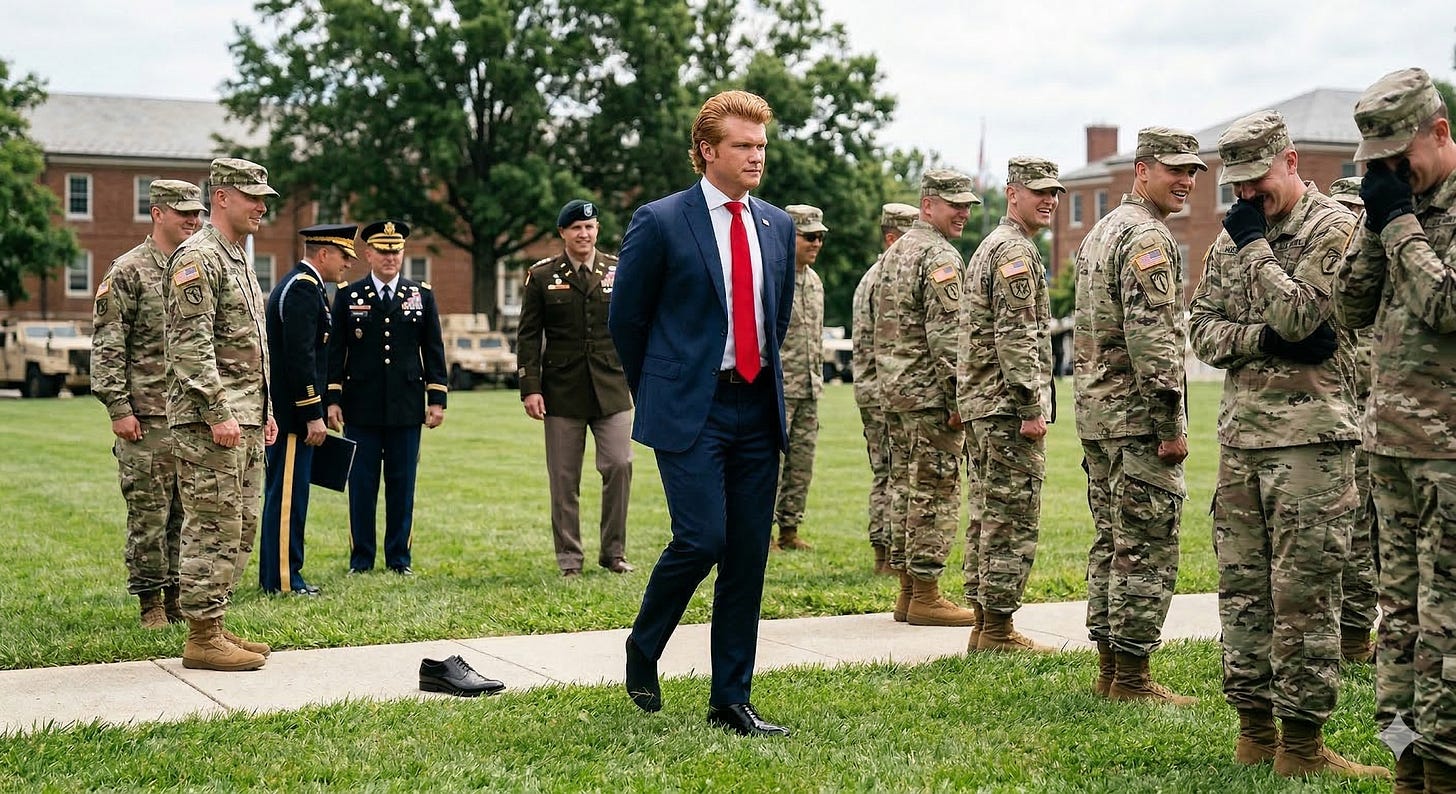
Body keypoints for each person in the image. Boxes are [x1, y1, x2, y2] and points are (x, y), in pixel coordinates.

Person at [1189, 111, 1387, 778]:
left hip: (1312, 443)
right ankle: (1254, 732)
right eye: (1237, 183)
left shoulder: (1335, 227)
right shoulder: (1237, 233)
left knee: (1305, 594)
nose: (1247, 194)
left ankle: (1301, 746)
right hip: (1242, 439)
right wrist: (1260, 340)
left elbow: (1304, 315)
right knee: (1243, 592)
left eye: (1257, 178)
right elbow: (1202, 328)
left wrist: (1254, 254)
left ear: (1292, 160)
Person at [608, 89, 796, 737]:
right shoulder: (661, 221)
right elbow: (626, 319)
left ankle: (730, 699)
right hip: (692, 407)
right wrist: (660, 389)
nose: (756, 156)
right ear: (707, 150)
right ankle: (644, 644)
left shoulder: (777, 225)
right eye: (743, 145)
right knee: (703, 538)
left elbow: (776, 317)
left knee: (746, 555)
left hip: (758, 405)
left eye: (761, 146)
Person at [1336, 66, 1456, 792]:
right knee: (1400, 620)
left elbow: (1446, 306)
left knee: (1447, 622)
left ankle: (1445, 769)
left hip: (1448, 456)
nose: (1388, 174)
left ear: (1439, 133)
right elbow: (1348, 308)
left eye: (1397, 159)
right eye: (1374, 164)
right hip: (1389, 450)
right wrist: (1373, 226)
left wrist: (1401, 226)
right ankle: (1405, 757)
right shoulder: (1391, 211)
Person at [1073, 128, 1201, 705]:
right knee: (1145, 546)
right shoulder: (1148, 236)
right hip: (1136, 419)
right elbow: (1154, 342)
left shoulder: (1102, 231)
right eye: (1175, 169)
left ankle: (1110, 671)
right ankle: (1131, 679)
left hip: (1099, 414)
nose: (1186, 180)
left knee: (1112, 540)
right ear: (1142, 170)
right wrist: (1170, 424)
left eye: (1192, 171)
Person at [163, 157, 279, 672]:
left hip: (244, 417)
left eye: (264, 199)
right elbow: (190, 346)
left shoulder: (236, 257)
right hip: (211, 423)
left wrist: (264, 410)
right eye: (252, 197)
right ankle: (201, 637)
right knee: (212, 524)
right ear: (222, 197)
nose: (261, 207)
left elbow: (249, 345)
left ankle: (215, 620)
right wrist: (217, 411)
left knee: (239, 525)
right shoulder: (198, 258)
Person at [957, 157, 1062, 653]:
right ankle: (997, 630)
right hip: (1005, 408)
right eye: (1038, 191)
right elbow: (1016, 337)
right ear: (1012, 193)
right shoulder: (1014, 251)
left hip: (985, 404)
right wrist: (1030, 407)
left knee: (986, 512)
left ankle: (985, 624)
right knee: (1011, 516)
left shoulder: (994, 245)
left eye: (1054, 192)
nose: (1049, 200)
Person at [92, 179, 204, 628]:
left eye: (197, 214)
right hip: (146, 416)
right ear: (157, 213)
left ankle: (177, 596)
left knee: (185, 513)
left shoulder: (195, 267)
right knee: (149, 514)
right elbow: (108, 344)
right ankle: (150, 602)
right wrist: (118, 408)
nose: (192, 220)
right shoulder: (128, 270)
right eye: (183, 212)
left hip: (188, 416)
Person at [876, 169, 981, 628]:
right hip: (930, 396)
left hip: (897, 392)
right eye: (954, 204)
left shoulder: (897, 251)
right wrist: (960, 401)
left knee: (905, 489)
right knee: (935, 493)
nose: (963, 213)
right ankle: (926, 595)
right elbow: (948, 337)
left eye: (967, 205)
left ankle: (907, 593)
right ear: (927, 205)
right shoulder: (939, 255)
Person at [516, 199, 635, 578]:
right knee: (565, 478)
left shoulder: (618, 270)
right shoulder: (542, 275)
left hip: (611, 385)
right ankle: (570, 558)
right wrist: (530, 387)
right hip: (562, 390)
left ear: (597, 230)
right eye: (577, 228)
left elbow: (634, 325)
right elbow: (529, 336)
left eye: (590, 227)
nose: (584, 234)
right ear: (563, 233)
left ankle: (613, 552)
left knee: (620, 464)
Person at [326, 220, 447, 576]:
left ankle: (399, 558)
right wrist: (332, 399)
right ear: (368, 254)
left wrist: (436, 399)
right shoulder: (349, 295)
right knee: (361, 487)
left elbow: (434, 349)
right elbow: (335, 352)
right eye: (383, 251)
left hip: (406, 408)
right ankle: (361, 559)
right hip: (360, 407)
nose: (390, 257)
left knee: (402, 486)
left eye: (396, 251)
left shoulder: (420, 295)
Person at [259, 224, 357, 596]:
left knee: (288, 496)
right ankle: (284, 580)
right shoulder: (302, 288)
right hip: (293, 417)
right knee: (288, 499)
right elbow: (300, 359)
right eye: (344, 255)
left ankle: (277, 576)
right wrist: (312, 414)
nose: (348, 264)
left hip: (291, 414)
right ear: (324, 253)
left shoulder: (306, 285)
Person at [1327, 177, 1380, 665]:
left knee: (1367, 532)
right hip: (1340, 416)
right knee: (1352, 530)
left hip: (1372, 415)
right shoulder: (1333, 270)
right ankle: (1352, 636)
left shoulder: (1376, 270)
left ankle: (1357, 632)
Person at [852, 202, 918, 574]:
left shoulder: (874, 275)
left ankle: (887, 552)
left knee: (887, 471)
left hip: (875, 387)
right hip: (884, 390)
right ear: (892, 238)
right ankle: (888, 554)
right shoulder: (885, 279)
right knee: (893, 473)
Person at [772, 203, 828, 552]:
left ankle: (790, 529)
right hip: (780, 387)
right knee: (771, 464)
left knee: (801, 464)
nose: (816, 243)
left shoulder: (815, 282)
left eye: (820, 237)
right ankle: (762, 533)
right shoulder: (773, 277)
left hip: (809, 387)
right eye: (809, 236)